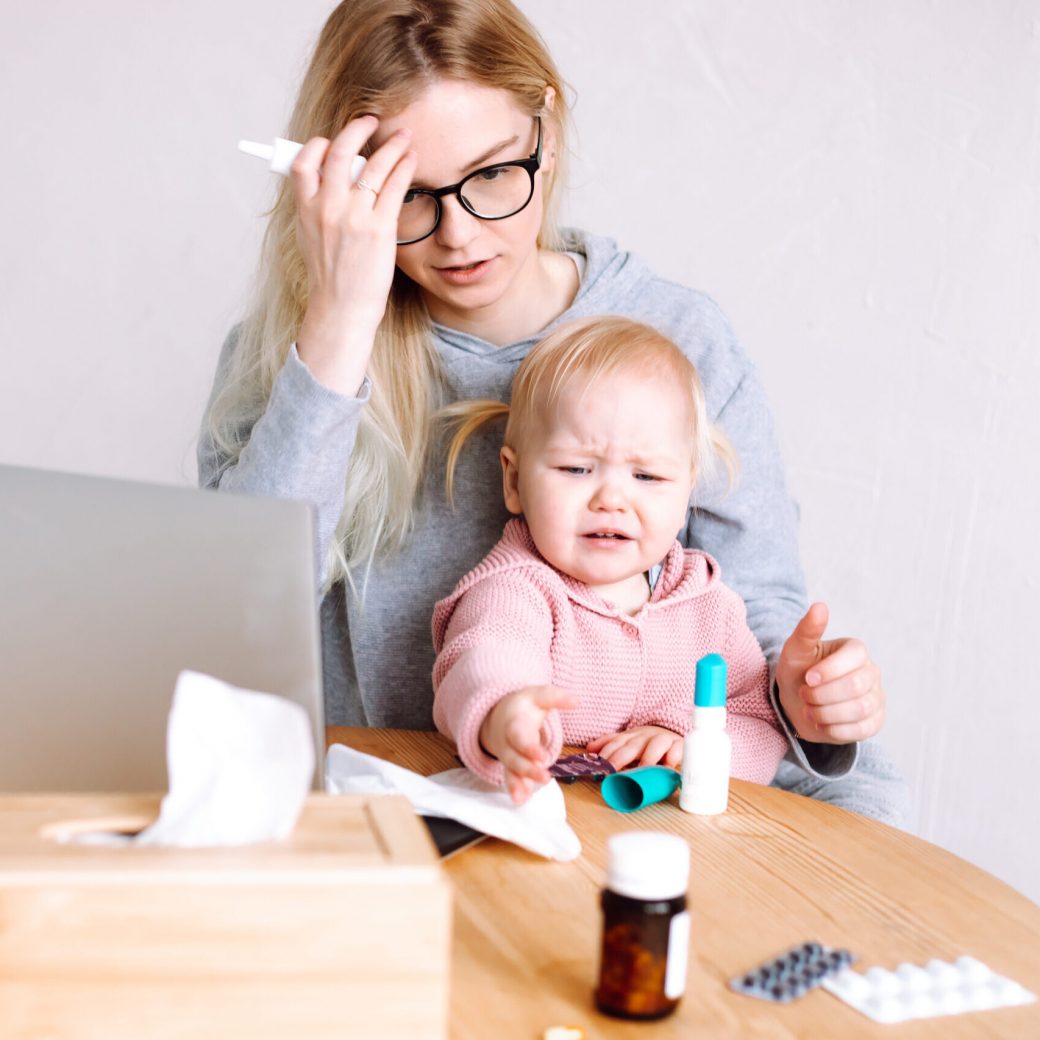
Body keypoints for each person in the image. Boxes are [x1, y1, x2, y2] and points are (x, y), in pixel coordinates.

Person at [199, 0, 909, 825]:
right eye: (408, 197)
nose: (458, 236)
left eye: (493, 174)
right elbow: (231, 623)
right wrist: (338, 327)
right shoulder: (298, 355)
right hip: (398, 811)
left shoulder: (681, 338)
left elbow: (754, 629)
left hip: (637, 810)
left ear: (548, 131)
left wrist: (809, 700)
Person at [432, 315, 790, 803]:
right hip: (543, 834)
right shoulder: (517, 590)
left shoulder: (708, 606)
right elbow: (486, 657)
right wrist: (506, 717)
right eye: (577, 468)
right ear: (513, 482)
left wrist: (690, 744)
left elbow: (760, 723)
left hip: (672, 849)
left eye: (647, 477)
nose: (612, 500)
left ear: (688, 489)